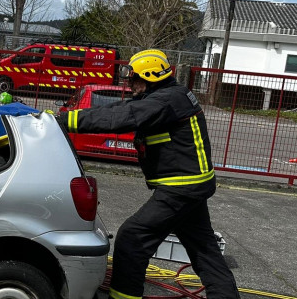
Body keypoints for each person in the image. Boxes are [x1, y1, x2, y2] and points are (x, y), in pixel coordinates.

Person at [55, 50, 239, 299]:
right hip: (191, 185)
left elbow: (124, 116)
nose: (129, 84)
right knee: (204, 250)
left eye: (133, 79)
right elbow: (124, 108)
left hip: (181, 187)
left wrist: (63, 121)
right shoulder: (166, 96)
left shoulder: (165, 101)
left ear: (150, 76)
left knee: (133, 238)